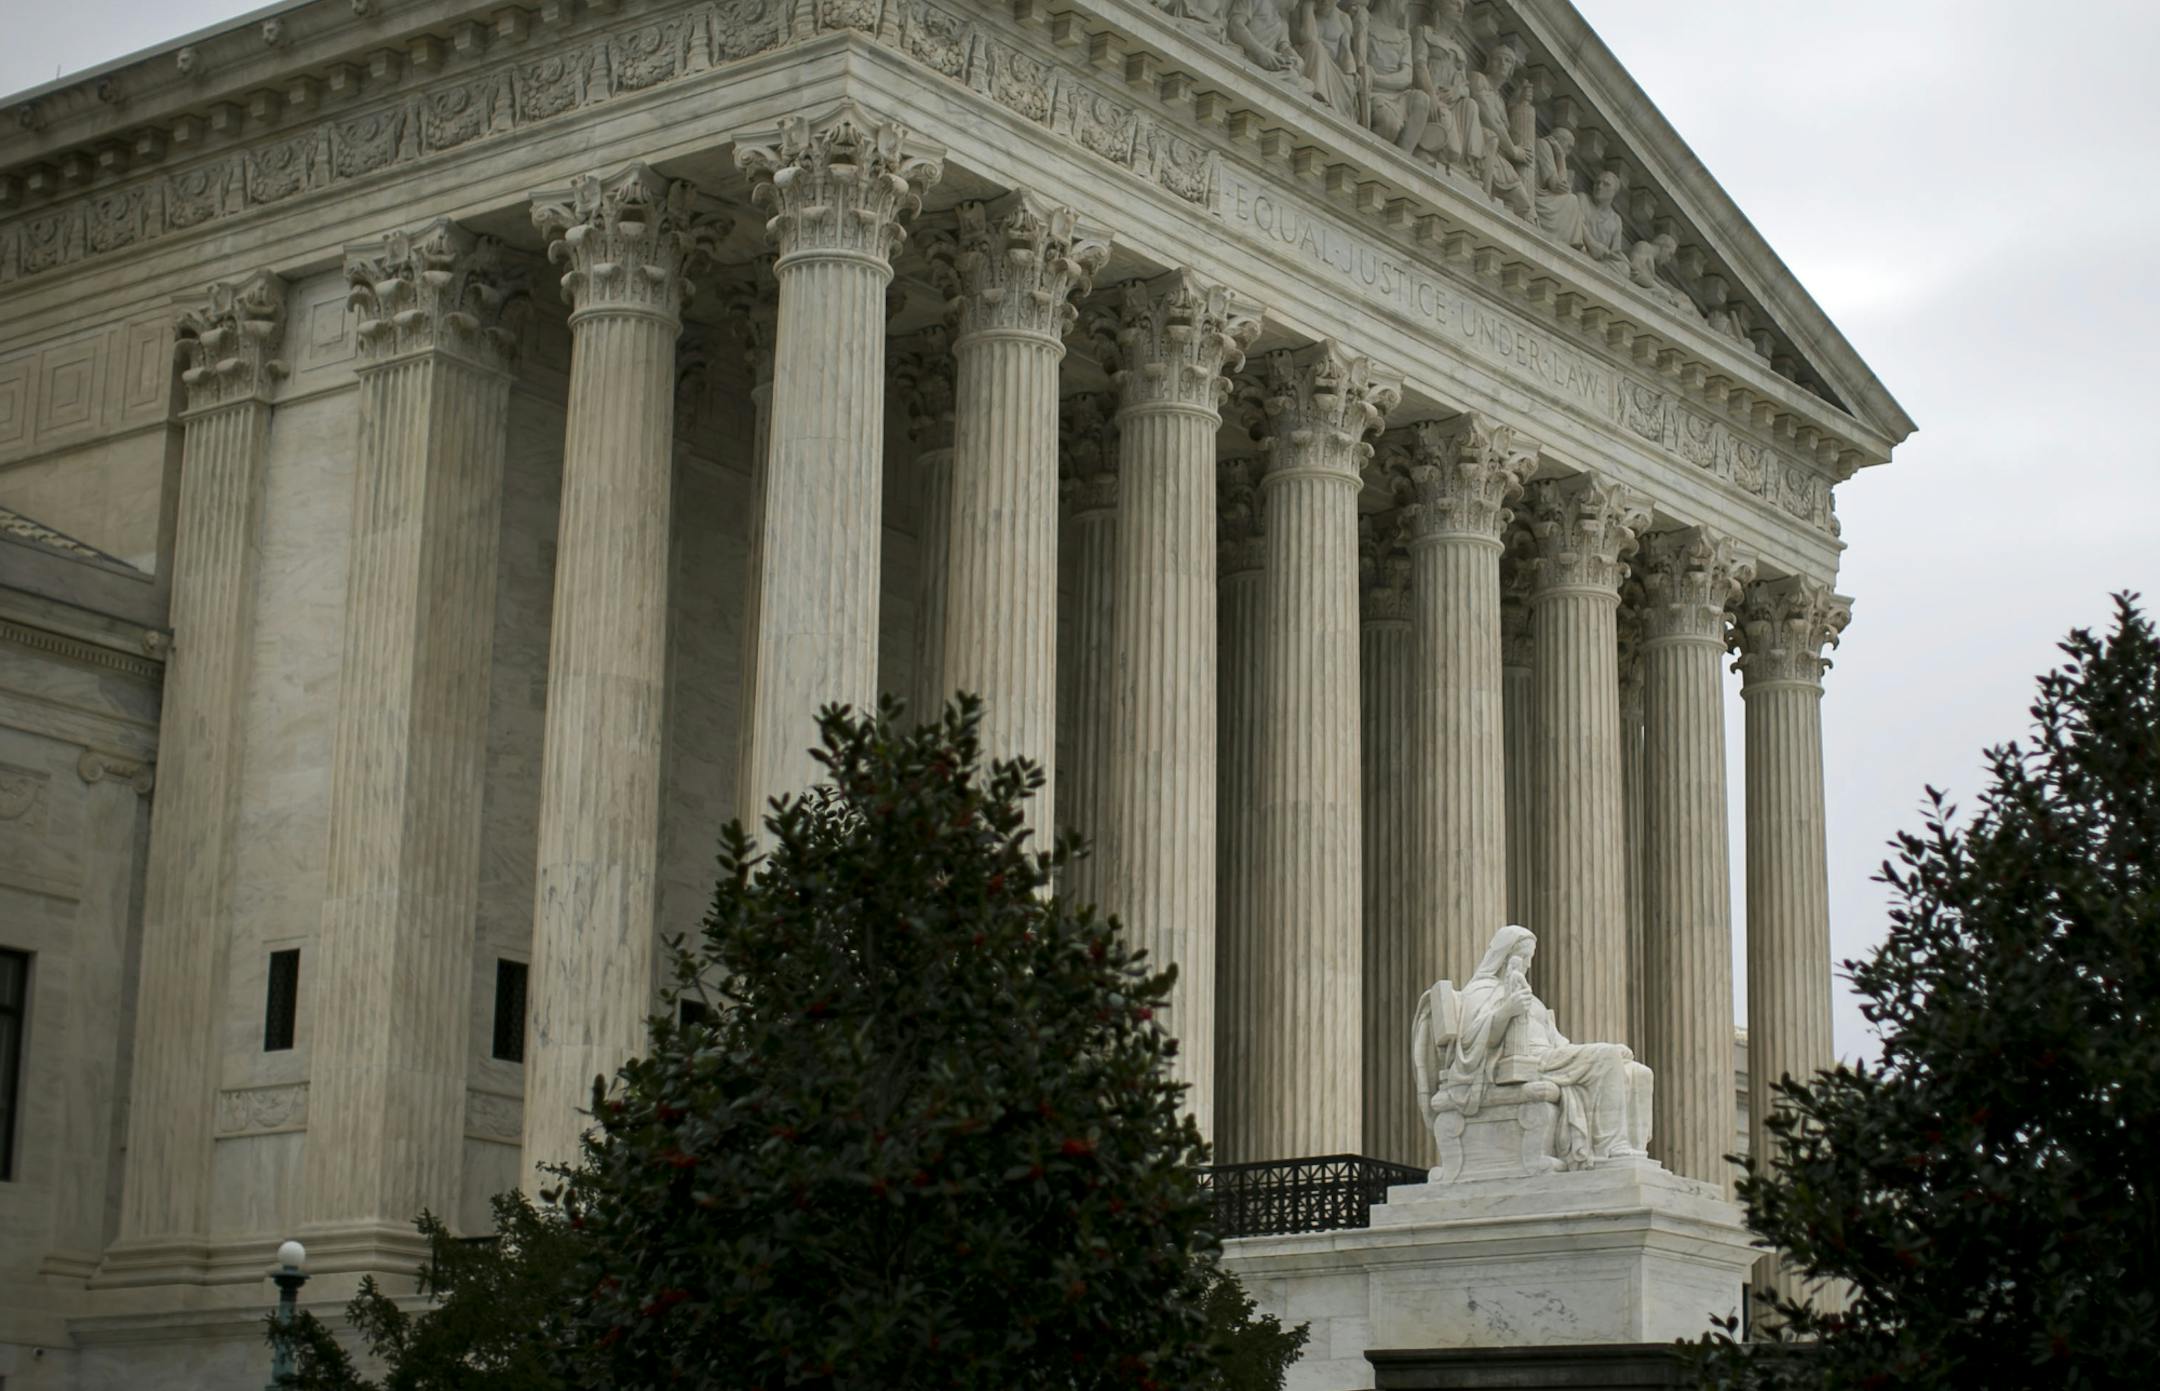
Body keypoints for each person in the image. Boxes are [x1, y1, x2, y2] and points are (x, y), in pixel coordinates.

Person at [1423, 925, 1652, 1166]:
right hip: (1522, 1062)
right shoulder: (1480, 991)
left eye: (1529, 958)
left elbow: (1559, 1041)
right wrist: (1507, 1010)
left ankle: (1632, 1149)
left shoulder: (1532, 999)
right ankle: (1610, 1148)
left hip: (1550, 1057)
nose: (1528, 965)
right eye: (1524, 957)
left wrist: (1610, 1049)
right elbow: (1471, 1040)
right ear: (1505, 957)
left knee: (1638, 1072)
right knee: (1605, 1057)